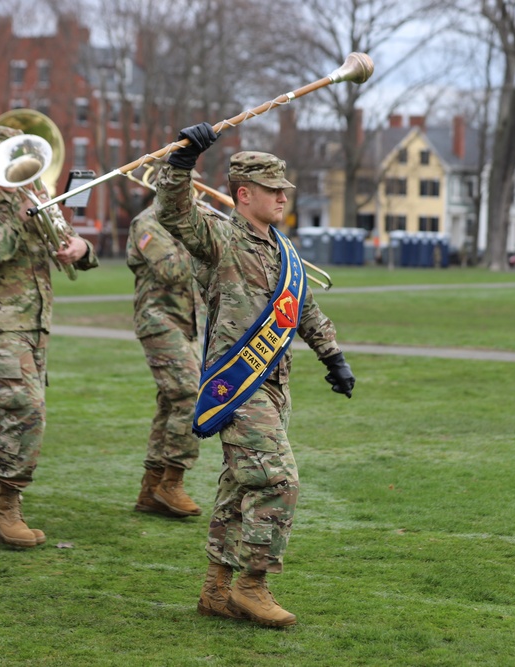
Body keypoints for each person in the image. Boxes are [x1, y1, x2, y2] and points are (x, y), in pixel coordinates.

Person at [155, 124, 356, 628]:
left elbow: (303, 307)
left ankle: (216, 590)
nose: (283, 197)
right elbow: (174, 213)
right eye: (273, 191)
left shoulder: (282, 250)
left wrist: (332, 355)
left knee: (237, 486)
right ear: (244, 194)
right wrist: (183, 161)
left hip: (275, 384)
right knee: (277, 480)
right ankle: (252, 584)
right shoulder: (220, 237)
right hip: (238, 386)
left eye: (284, 190)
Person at [0, 125, 98, 548]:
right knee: (27, 411)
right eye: (8, 156)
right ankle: (8, 506)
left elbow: (69, 244)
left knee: (17, 416)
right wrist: (17, 221)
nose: (19, 165)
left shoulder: (35, 198)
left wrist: (80, 250)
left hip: (35, 323)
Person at [126, 204, 205, 518]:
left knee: (171, 402)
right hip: (158, 321)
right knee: (189, 394)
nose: (193, 194)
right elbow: (172, 270)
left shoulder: (189, 219)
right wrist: (206, 239)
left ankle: (151, 489)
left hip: (188, 324)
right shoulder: (147, 221)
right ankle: (172, 480)